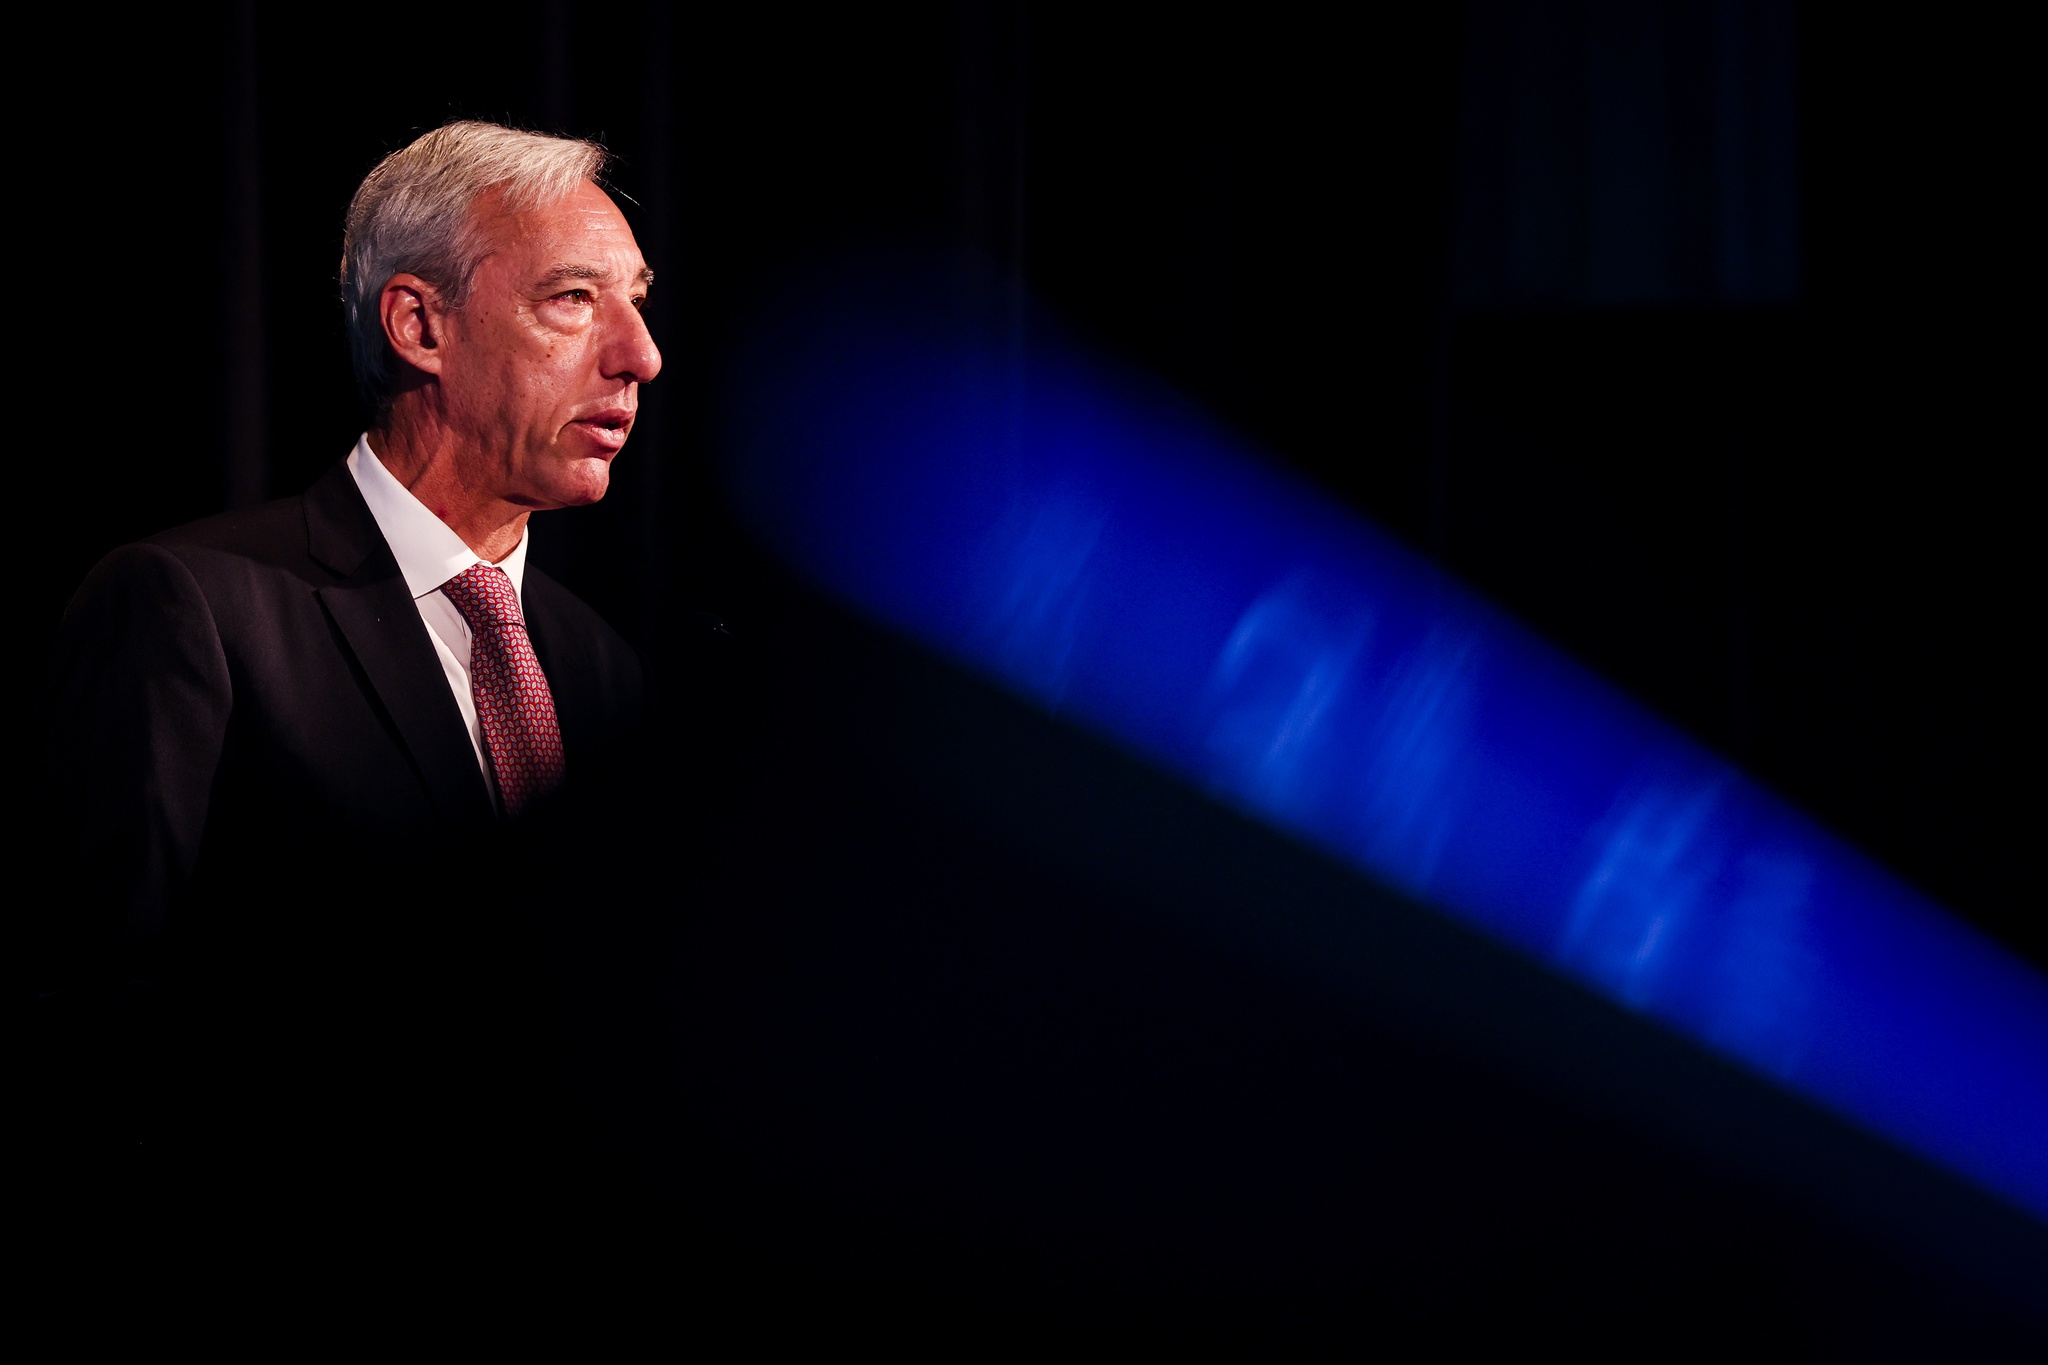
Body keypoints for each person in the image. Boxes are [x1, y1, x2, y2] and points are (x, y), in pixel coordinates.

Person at [34, 122, 667, 1249]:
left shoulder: (605, 671)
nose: (639, 355)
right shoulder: (193, 607)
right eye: (574, 299)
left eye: (638, 301)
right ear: (419, 325)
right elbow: (89, 1022)